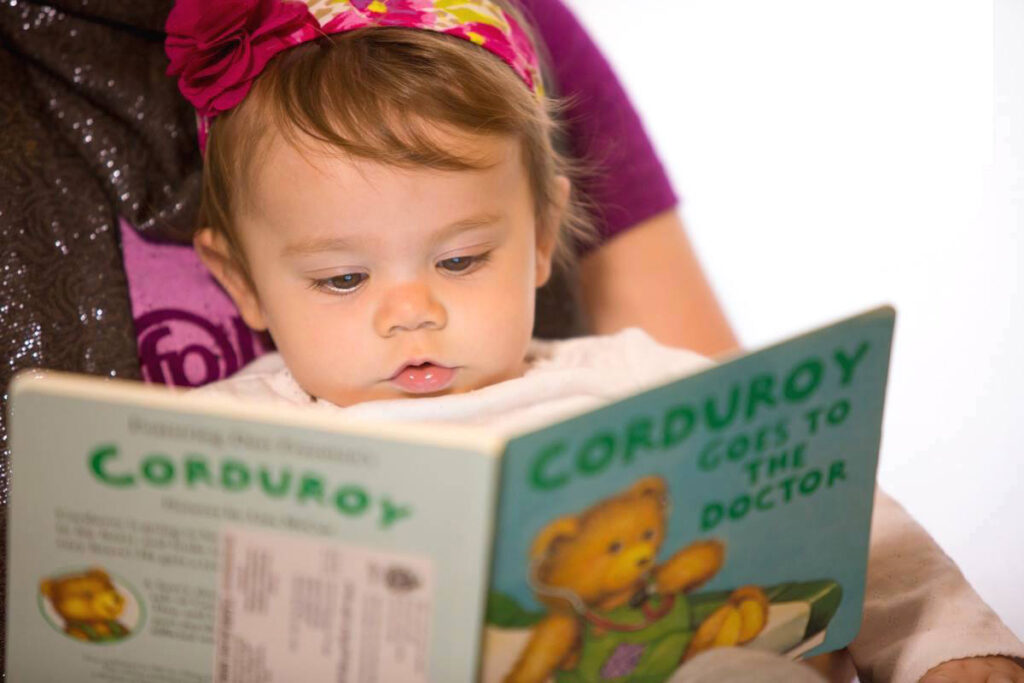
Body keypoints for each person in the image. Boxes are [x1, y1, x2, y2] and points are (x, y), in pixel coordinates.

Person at [165, 1, 1024, 682]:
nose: (411, 311)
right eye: (343, 279)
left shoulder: (635, 382)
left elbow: (837, 514)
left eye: (461, 258)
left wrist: (946, 644)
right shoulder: (217, 443)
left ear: (541, 236)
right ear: (242, 281)